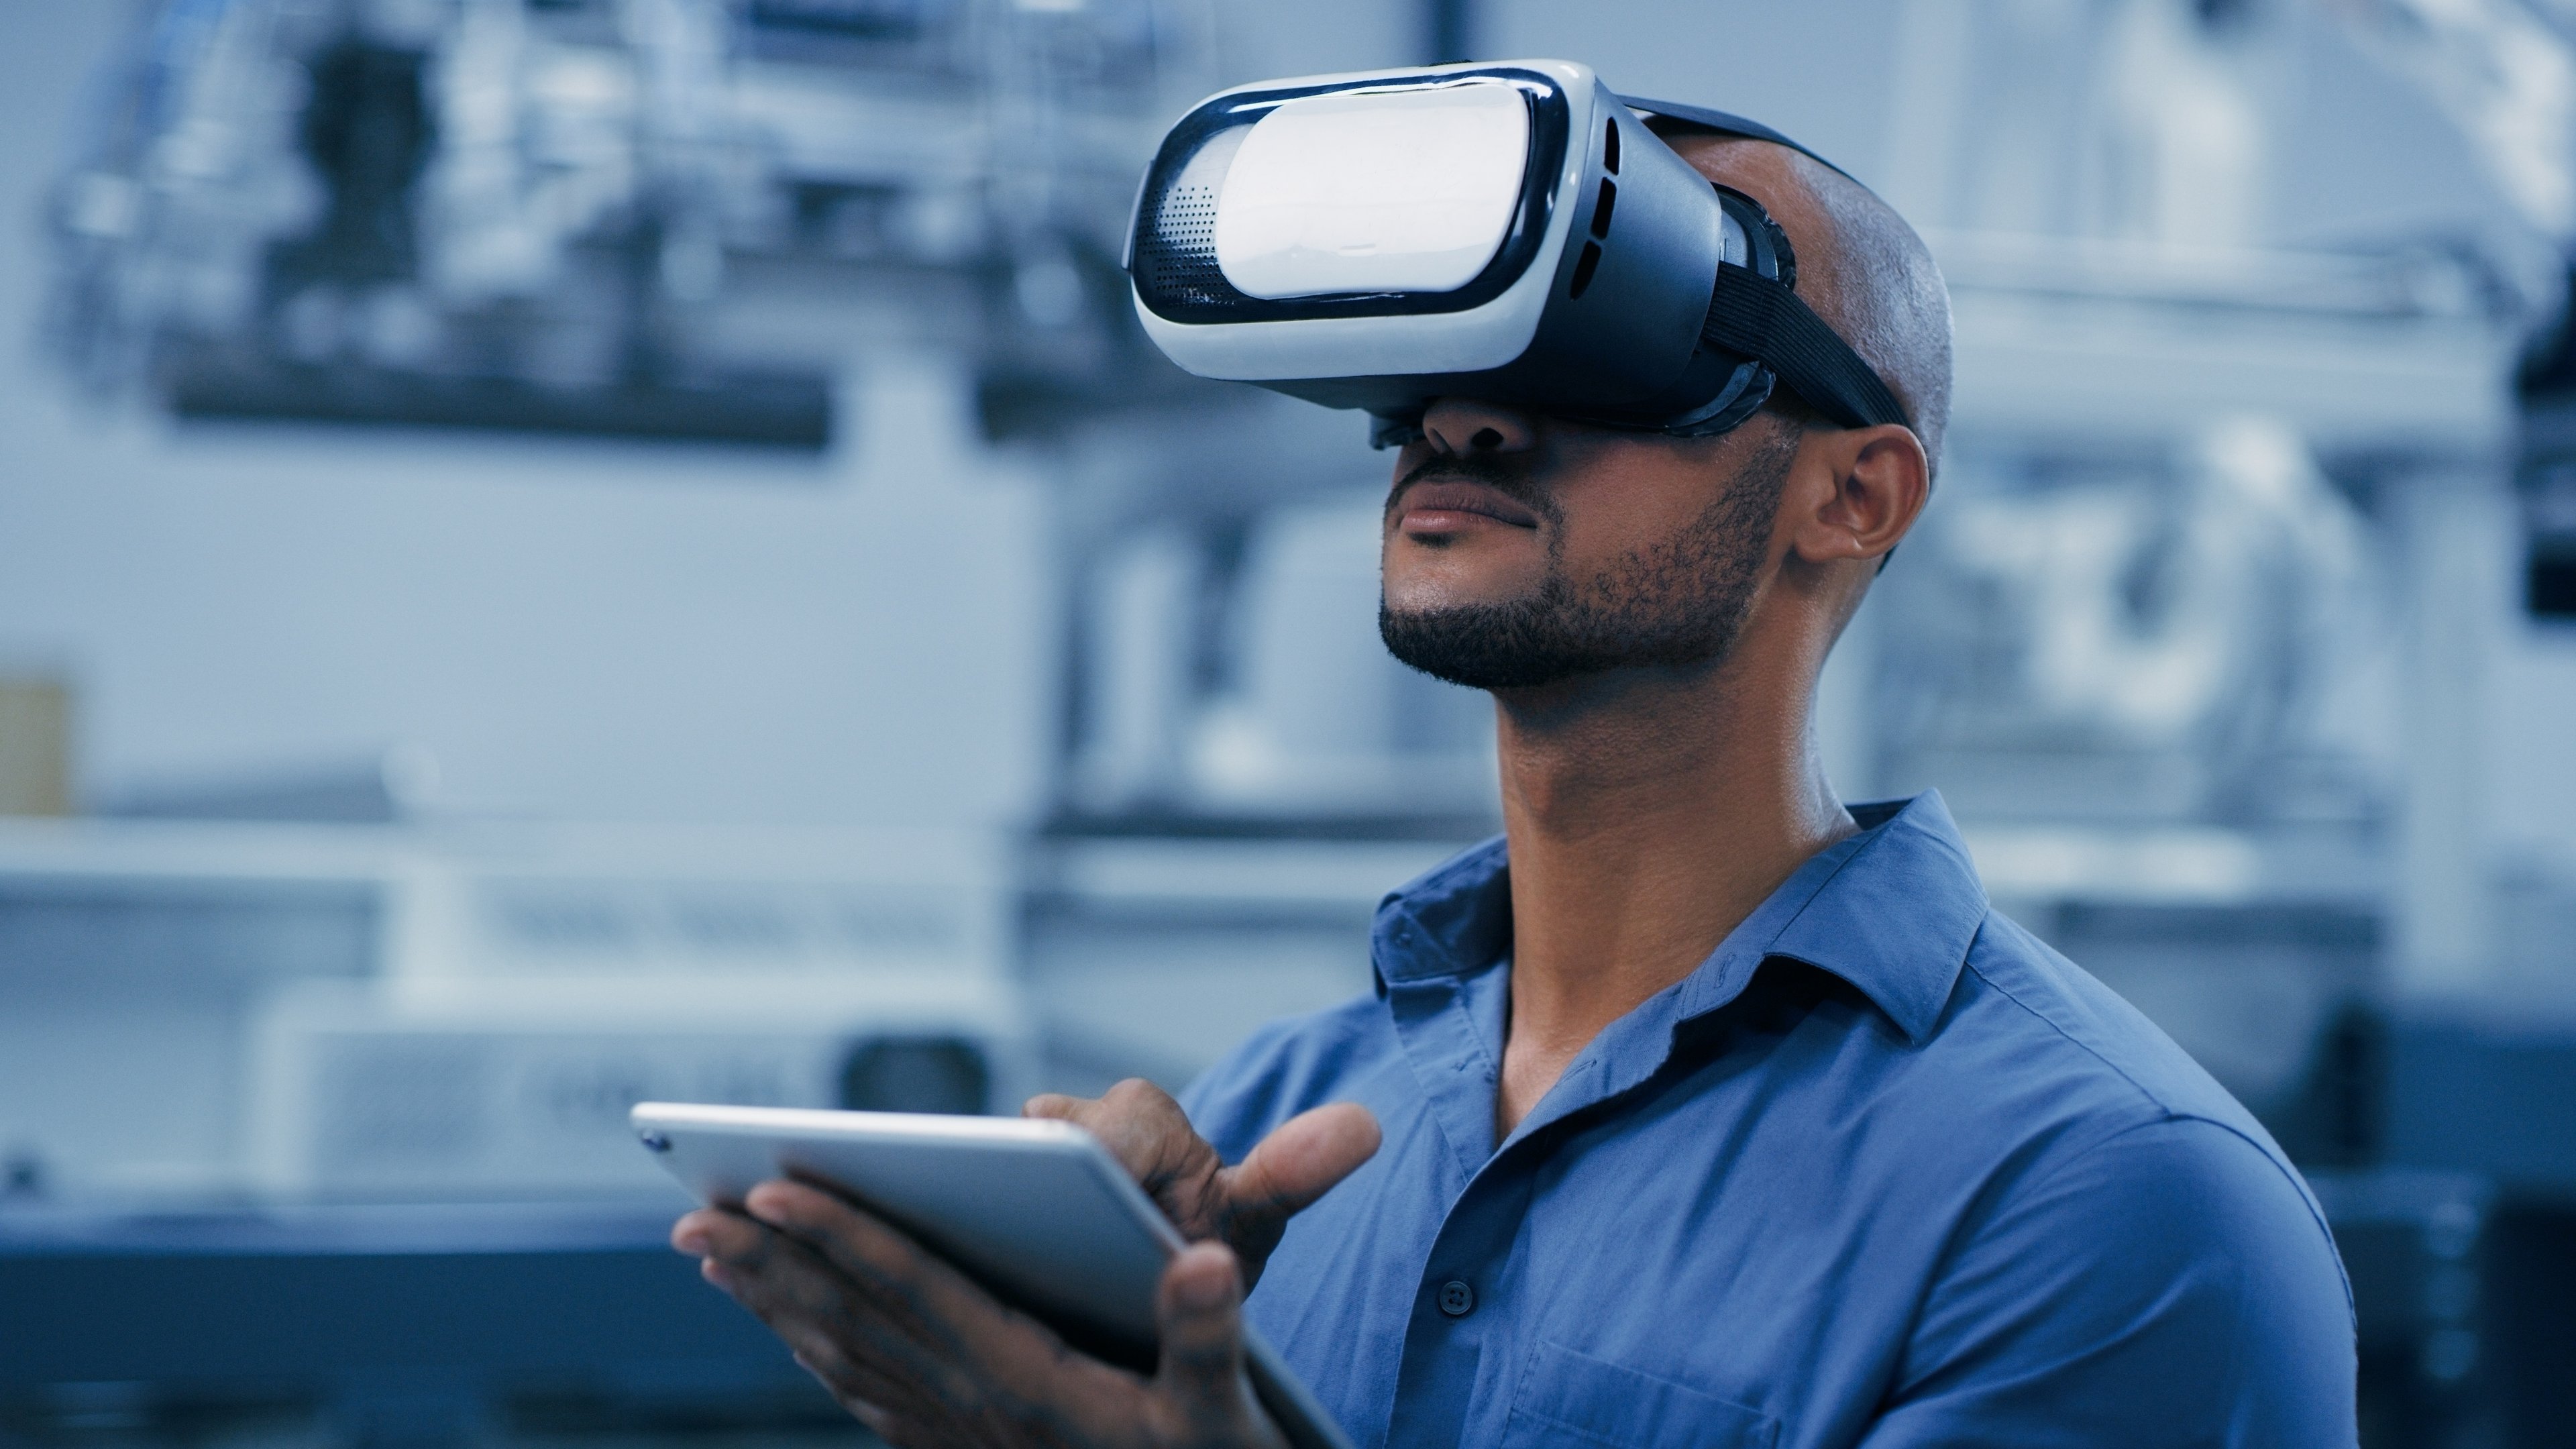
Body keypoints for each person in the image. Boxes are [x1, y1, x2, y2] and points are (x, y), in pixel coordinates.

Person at [672, 120, 2358, 1448]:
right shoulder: (1269, 1128)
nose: (1466, 420)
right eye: (1442, 353)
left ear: (1855, 496)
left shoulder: (2112, 1205)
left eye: (1620, 341)